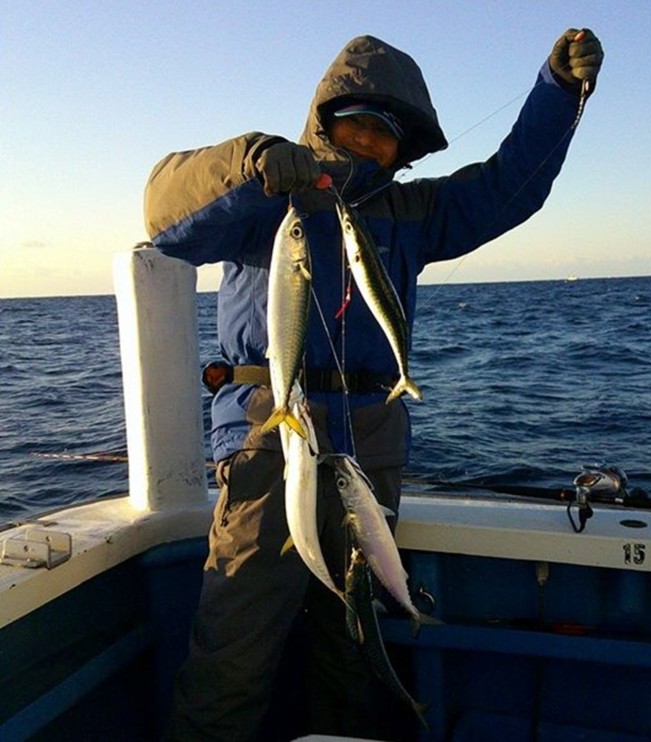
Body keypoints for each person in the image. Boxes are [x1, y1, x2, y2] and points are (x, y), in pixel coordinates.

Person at [144, 29, 603, 741]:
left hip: (372, 441)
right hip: (273, 438)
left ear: (404, 148)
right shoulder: (269, 197)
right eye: (355, 120)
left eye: (386, 133)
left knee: (356, 643)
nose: (367, 141)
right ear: (323, 119)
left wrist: (558, 91)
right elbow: (164, 216)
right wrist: (253, 161)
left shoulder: (414, 216)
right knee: (236, 637)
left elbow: (511, 183)